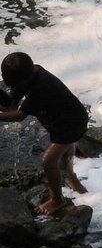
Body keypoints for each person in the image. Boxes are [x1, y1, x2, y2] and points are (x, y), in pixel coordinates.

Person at [0, 52, 89, 215]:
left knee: (48, 162)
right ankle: (73, 180)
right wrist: (8, 103)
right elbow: (14, 102)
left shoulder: (42, 86)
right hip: (60, 119)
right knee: (64, 156)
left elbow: (20, 116)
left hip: (71, 124)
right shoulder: (31, 72)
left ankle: (57, 200)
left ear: (24, 79)